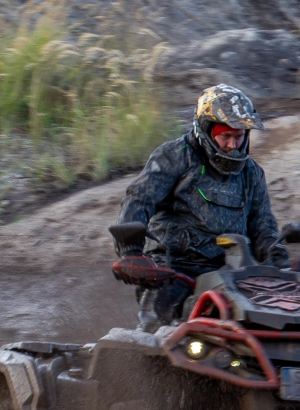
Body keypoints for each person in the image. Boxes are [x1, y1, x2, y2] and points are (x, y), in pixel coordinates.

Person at [111, 83, 289, 330]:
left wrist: (277, 257)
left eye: (239, 137)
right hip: (172, 270)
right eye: (225, 136)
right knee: (159, 333)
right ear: (205, 130)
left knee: (264, 326)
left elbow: (262, 226)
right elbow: (139, 199)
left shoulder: (252, 173)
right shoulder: (174, 156)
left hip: (230, 273)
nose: (232, 145)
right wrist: (131, 252)